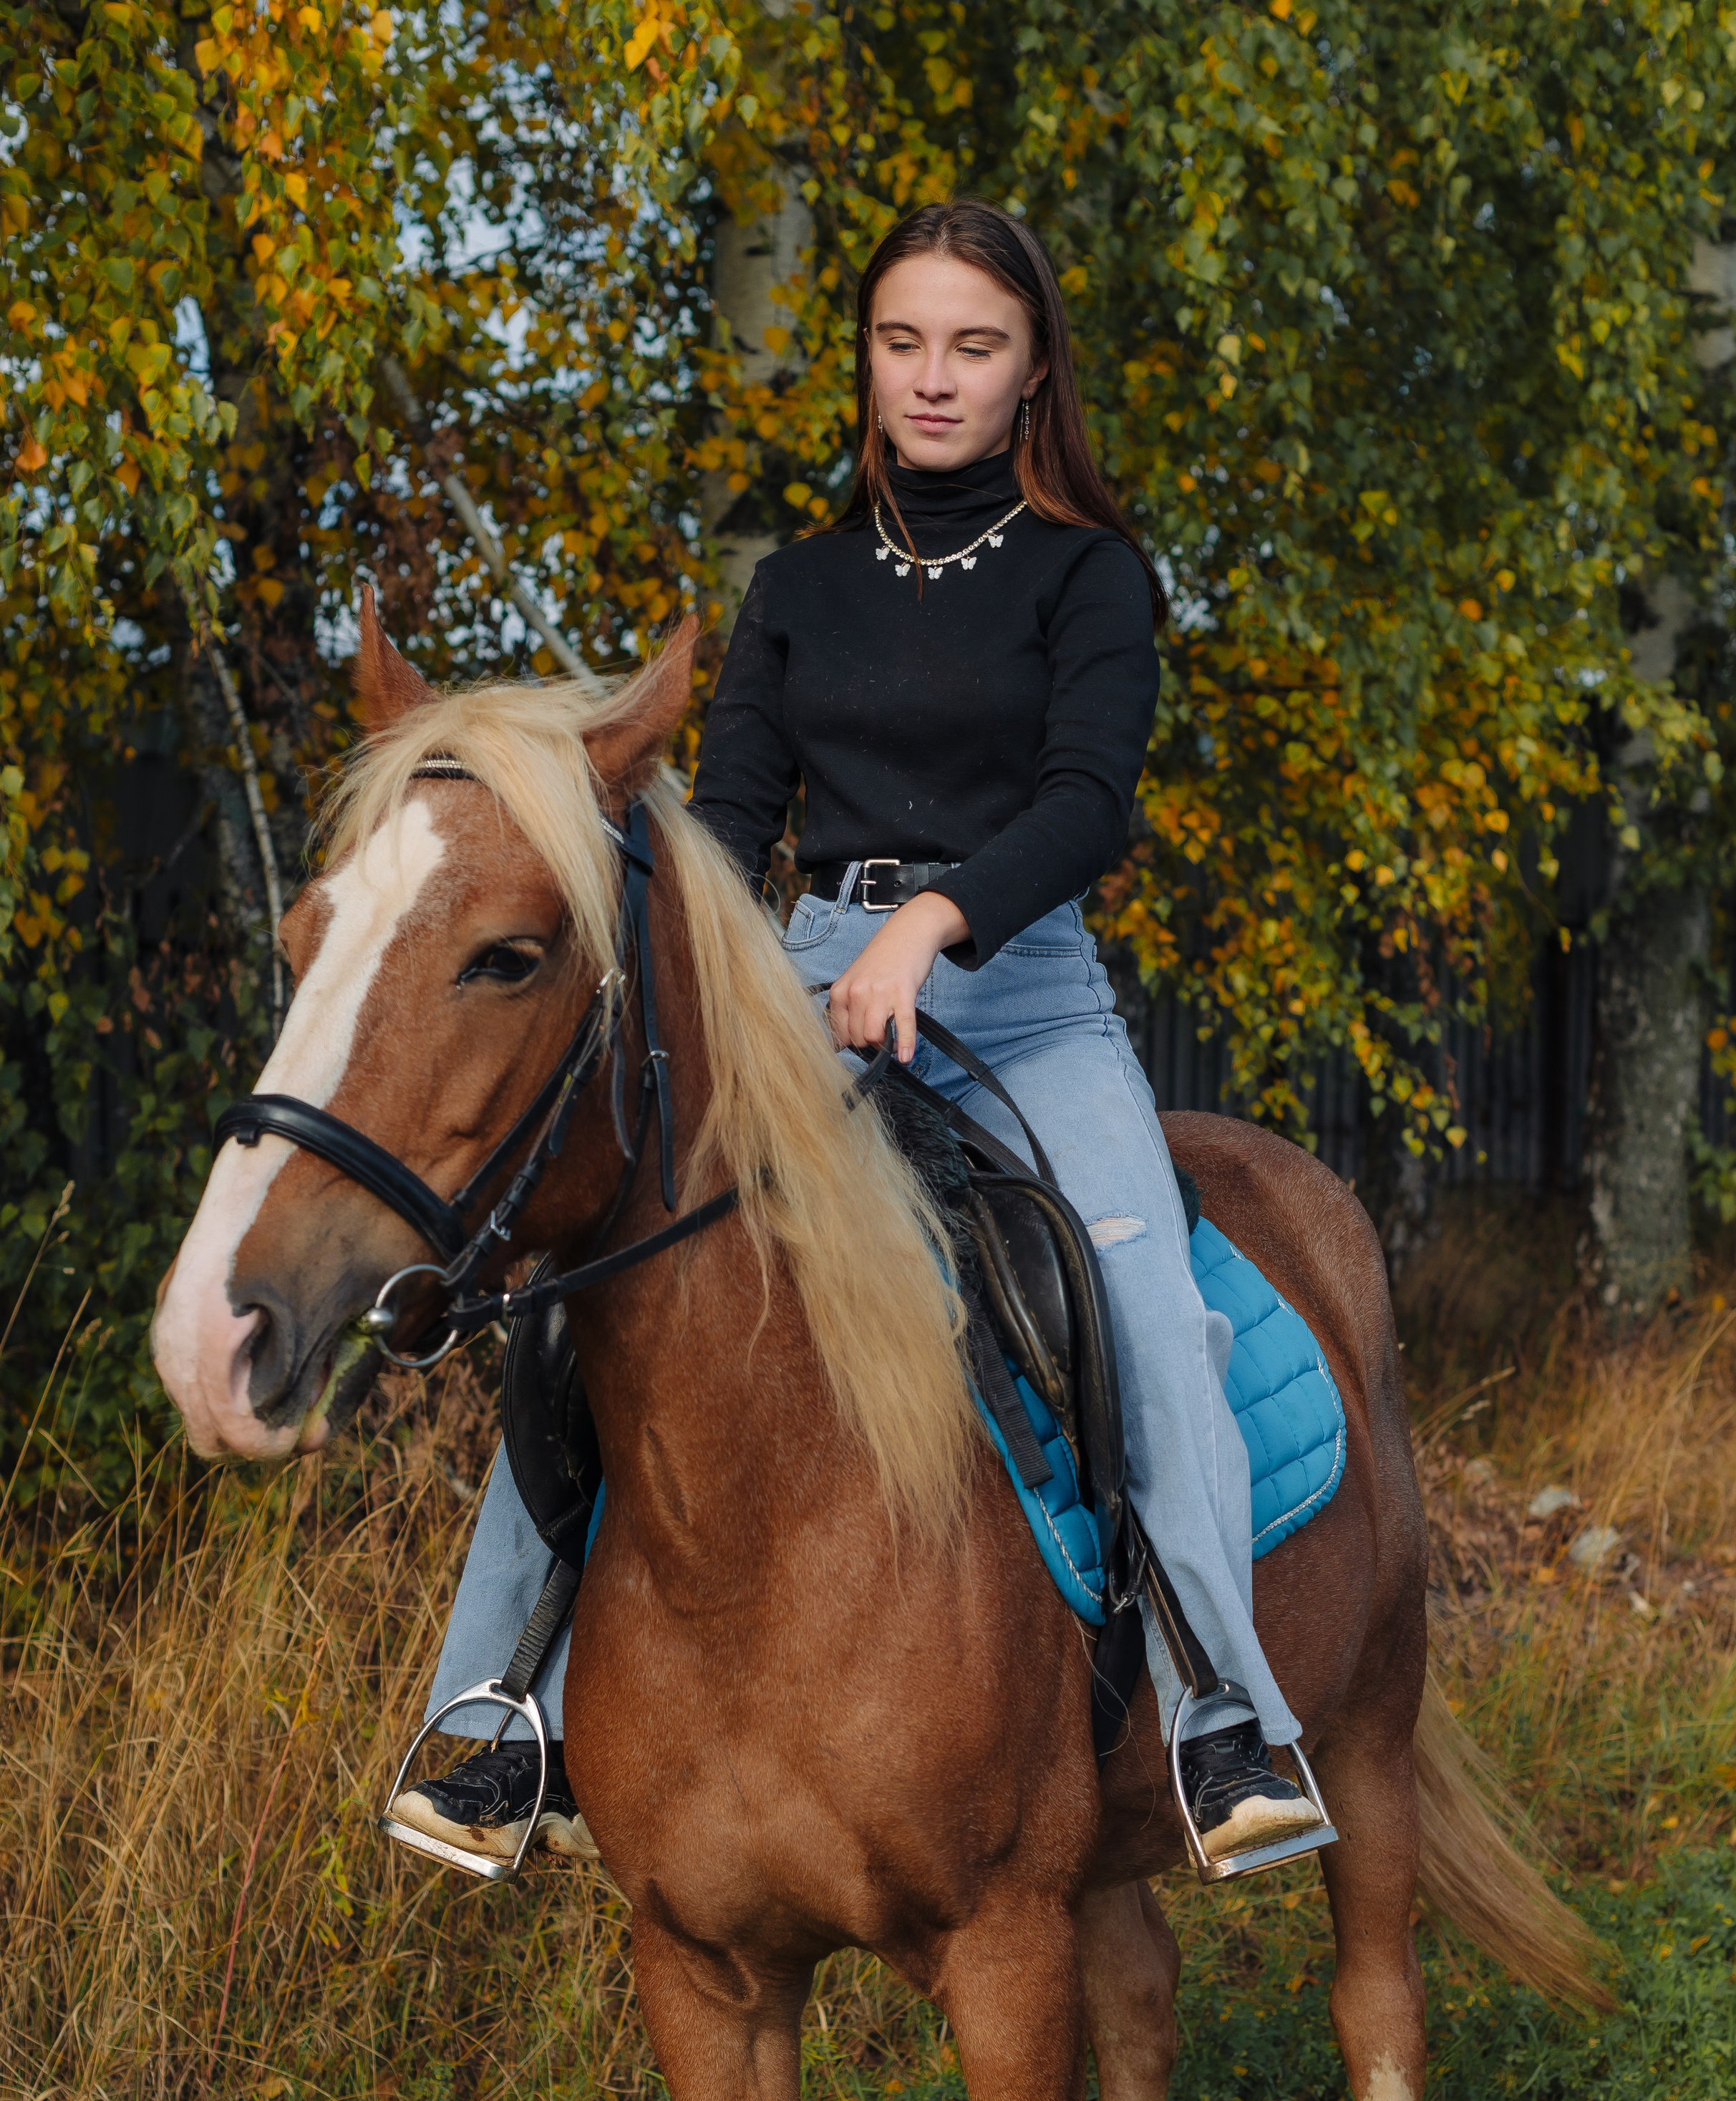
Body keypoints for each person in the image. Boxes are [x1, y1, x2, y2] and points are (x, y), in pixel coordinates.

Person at [394, 198, 1321, 1865]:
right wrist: (702, 978)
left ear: (1032, 371)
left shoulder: (1090, 576)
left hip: (1021, 999)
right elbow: (730, 820)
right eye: (903, 343)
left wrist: (931, 921)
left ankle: (1217, 1714)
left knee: (1143, 1307)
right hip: (807, 986)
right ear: (868, 364)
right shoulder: (799, 586)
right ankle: (507, 1710)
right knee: (582, 1289)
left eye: (973, 346)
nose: (934, 377)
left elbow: (1085, 805)